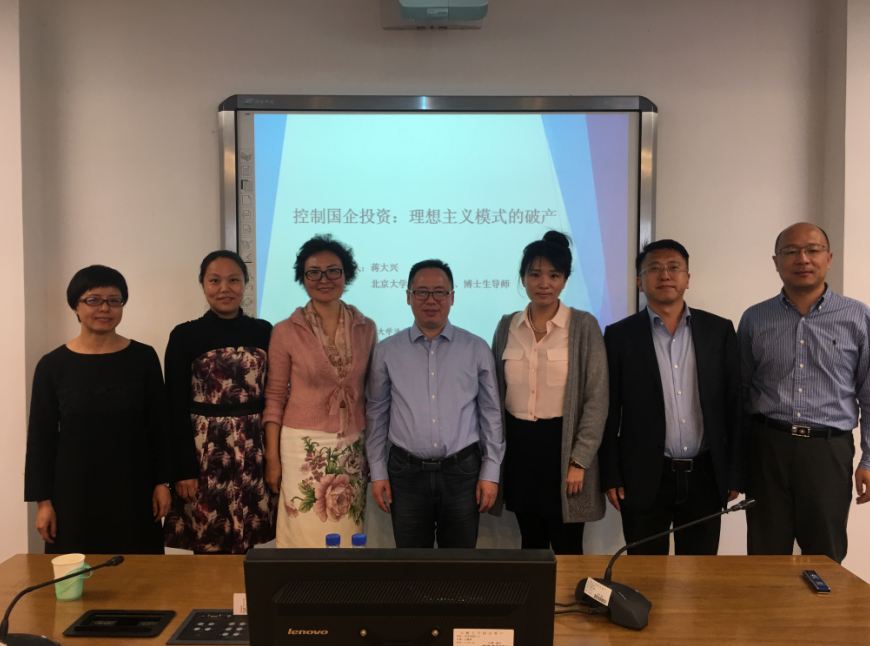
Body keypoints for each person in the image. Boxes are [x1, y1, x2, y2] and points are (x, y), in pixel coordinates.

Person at [599, 240, 744, 555]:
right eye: (654, 268)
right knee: (645, 572)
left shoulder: (718, 330)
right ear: (640, 282)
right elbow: (608, 410)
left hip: (706, 474)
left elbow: (734, 404)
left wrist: (734, 472)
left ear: (687, 278)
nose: (664, 275)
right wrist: (611, 474)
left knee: (699, 572)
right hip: (642, 475)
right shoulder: (620, 335)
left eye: (673, 267)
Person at [738, 222, 870, 564]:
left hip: (827, 451)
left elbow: (869, 394)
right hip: (767, 449)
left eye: (812, 250)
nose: (803, 258)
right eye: (791, 251)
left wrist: (868, 459)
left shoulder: (858, 317)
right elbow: (740, 391)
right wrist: (737, 462)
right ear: (776, 261)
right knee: (765, 556)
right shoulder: (755, 318)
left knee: (825, 556)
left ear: (829, 258)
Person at [24, 265, 175, 554]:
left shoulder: (143, 357)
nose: (105, 308)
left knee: (142, 575)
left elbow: (160, 425)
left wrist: (162, 483)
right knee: (76, 576)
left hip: (134, 489)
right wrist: (43, 503)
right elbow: (41, 439)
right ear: (75, 305)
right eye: (93, 300)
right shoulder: (52, 366)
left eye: (114, 300)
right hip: (73, 495)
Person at [366, 259, 505, 549]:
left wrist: (491, 471)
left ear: (452, 297)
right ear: (408, 296)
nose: (431, 300)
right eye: (422, 292)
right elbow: (377, 414)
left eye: (440, 292)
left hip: (462, 472)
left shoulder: (476, 348)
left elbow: (491, 414)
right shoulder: (387, 351)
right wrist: (377, 472)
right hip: (406, 473)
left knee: (460, 565)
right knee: (411, 565)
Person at [491, 232, 608, 553]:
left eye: (554, 275)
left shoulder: (583, 326)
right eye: (535, 274)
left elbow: (597, 399)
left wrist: (579, 461)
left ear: (565, 280)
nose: (544, 283)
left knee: (568, 546)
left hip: (563, 448)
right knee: (531, 543)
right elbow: (493, 394)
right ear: (523, 279)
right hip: (519, 449)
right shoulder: (506, 326)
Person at [263, 235, 377, 548]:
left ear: (346, 274)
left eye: (333, 271)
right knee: (304, 529)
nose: (324, 279)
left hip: (352, 444)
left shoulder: (366, 327)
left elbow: (371, 393)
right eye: (314, 272)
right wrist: (272, 458)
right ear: (302, 277)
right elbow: (274, 397)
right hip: (301, 446)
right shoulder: (285, 330)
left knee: (348, 526)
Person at [162, 250, 277, 554]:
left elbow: (275, 396)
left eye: (233, 280)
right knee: (209, 538)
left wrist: (274, 458)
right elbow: (174, 406)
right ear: (203, 284)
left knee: (251, 540)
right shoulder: (184, 335)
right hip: (205, 452)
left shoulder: (264, 331)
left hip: (254, 448)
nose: (224, 288)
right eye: (214, 280)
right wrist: (183, 471)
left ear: (245, 284)